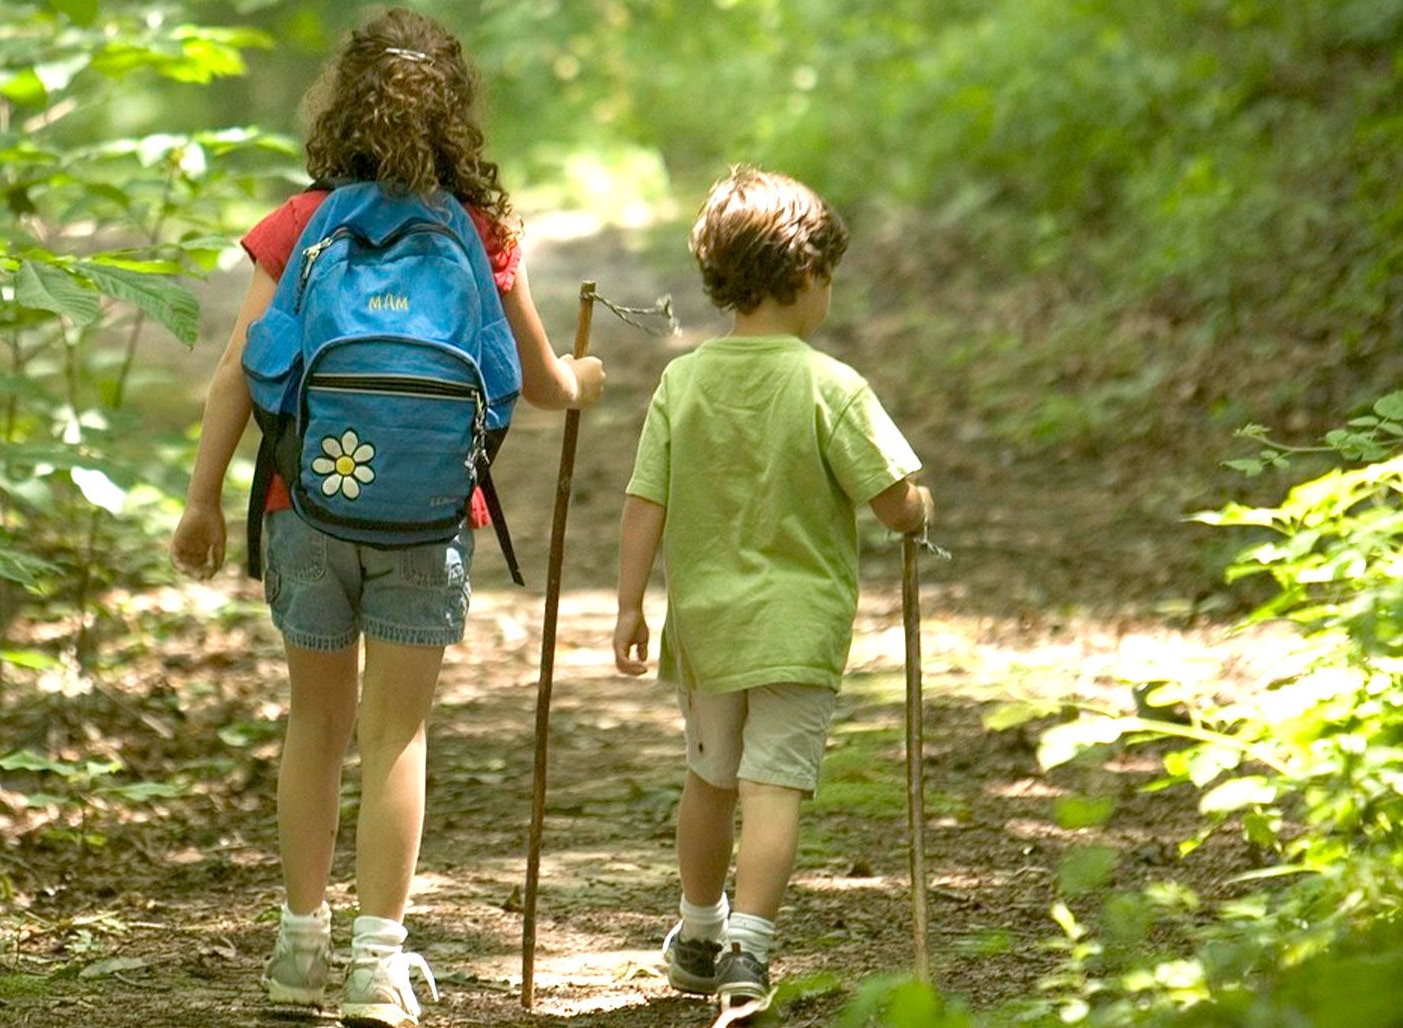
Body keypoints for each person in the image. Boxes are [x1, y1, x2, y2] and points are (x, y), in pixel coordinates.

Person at [169, 9, 606, 1026]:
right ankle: (377, 963)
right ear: (456, 115)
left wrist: (200, 499)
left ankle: (295, 948)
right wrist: (581, 377)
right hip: (424, 519)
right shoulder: (481, 231)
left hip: (303, 506)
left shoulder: (300, 222)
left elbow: (240, 367)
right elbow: (541, 385)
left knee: (314, 726)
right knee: (396, 733)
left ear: (343, 105)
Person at [612, 166, 931, 1014]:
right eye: (827, 275)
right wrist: (919, 507)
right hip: (796, 627)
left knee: (710, 778)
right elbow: (894, 501)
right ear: (804, 276)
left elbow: (645, 498)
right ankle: (748, 949)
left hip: (709, 624)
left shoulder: (684, 381)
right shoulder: (831, 386)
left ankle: (696, 930)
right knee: (774, 786)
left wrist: (628, 604)